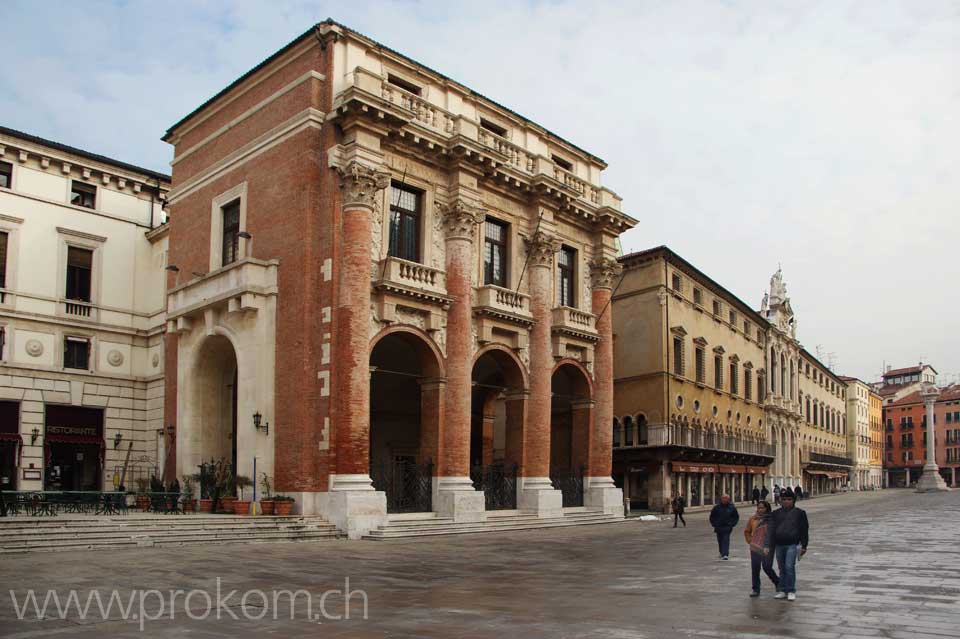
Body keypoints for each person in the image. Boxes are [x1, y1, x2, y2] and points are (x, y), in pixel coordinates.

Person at [768, 488, 809, 601]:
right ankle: (782, 590)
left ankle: (791, 590)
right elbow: (771, 529)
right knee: (781, 568)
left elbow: (804, 530)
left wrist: (804, 546)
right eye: (784, 499)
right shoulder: (775, 514)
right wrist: (768, 544)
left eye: (789, 499)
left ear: (793, 500)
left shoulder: (800, 513)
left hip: (792, 544)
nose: (786, 501)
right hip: (779, 544)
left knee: (789, 567)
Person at [744, 500, 779, 597]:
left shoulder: (771, 519)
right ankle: (756, 589)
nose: (760, 510)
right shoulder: (753, 519)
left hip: (767, 547)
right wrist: (751, 541)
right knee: (755, 568)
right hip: (755, 547)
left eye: (762, 508)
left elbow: (773, 533)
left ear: (767, 508)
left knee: (767, 567)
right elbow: (747, 531)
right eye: (758, 507)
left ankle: (777, 582)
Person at [709, 494, 740, 560]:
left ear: (728, 499)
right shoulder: (717, 507)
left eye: (726, 498)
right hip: (718, 527)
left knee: (726, 539)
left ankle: (725, 554)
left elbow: (736, 517)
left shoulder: (732, 507)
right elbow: (712, 517)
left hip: (727, 527)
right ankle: (721, 552)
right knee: (720, 540)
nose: (724, 499)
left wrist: (732, 524)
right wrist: (714, 524)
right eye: (723, 498)